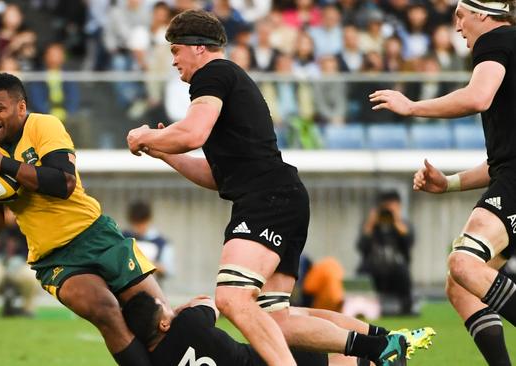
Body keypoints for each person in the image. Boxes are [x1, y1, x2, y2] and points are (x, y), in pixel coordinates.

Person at [127, 9, 408, 366]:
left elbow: (192, 134)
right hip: (279, 197)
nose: (174, 61)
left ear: (198, 48)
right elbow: (218, 176)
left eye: (175, 51)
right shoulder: (227, 79)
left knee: (231, 298)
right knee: (275, 320)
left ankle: (375, 349)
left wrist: (147, 135)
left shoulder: (212, 74)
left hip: (267, 200)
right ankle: (379, 346)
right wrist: (162, 152)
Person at [0, 72, 164, 366]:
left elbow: (63, 184)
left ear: (20, 107)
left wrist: (5, 164)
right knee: (105, 310)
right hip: (56, 259)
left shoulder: (44, 125)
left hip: (96, 234)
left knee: (157, 317)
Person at [369, 1, 516, 364]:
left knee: (463, 265)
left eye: (461, 16)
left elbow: (478, 97)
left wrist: (412, 107)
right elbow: (502, 162)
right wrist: (447, 184)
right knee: (461, 284)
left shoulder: (496, 39)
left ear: (483, 14)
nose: (457, 26)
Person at [122, 291, 434, 366]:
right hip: (268, 360)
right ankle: (388, 344)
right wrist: (178, 310)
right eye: (165, 308)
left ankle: (387, 342)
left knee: (297, 317)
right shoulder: (187, 323)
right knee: (302, 321)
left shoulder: (155, 362)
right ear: (164, 321)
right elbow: (211, 302)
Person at [357, 191, 415, 316]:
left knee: (402, 271)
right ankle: (362, 308)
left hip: (396, 268)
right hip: (373, 266)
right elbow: (361, 247)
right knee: (362, 271)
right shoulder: (371, 224)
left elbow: (408, 244)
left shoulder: (404, 225)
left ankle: (407, 308)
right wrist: (370, 225)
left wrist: (397, 222)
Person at [122, 200, 174, 282]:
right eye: (136, 223)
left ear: (149, 219)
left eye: (142, 223)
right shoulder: (122, 238)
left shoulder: (161, 242)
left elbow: (168, 270)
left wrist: (147, 264)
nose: (139, 227)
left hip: (152, 289)